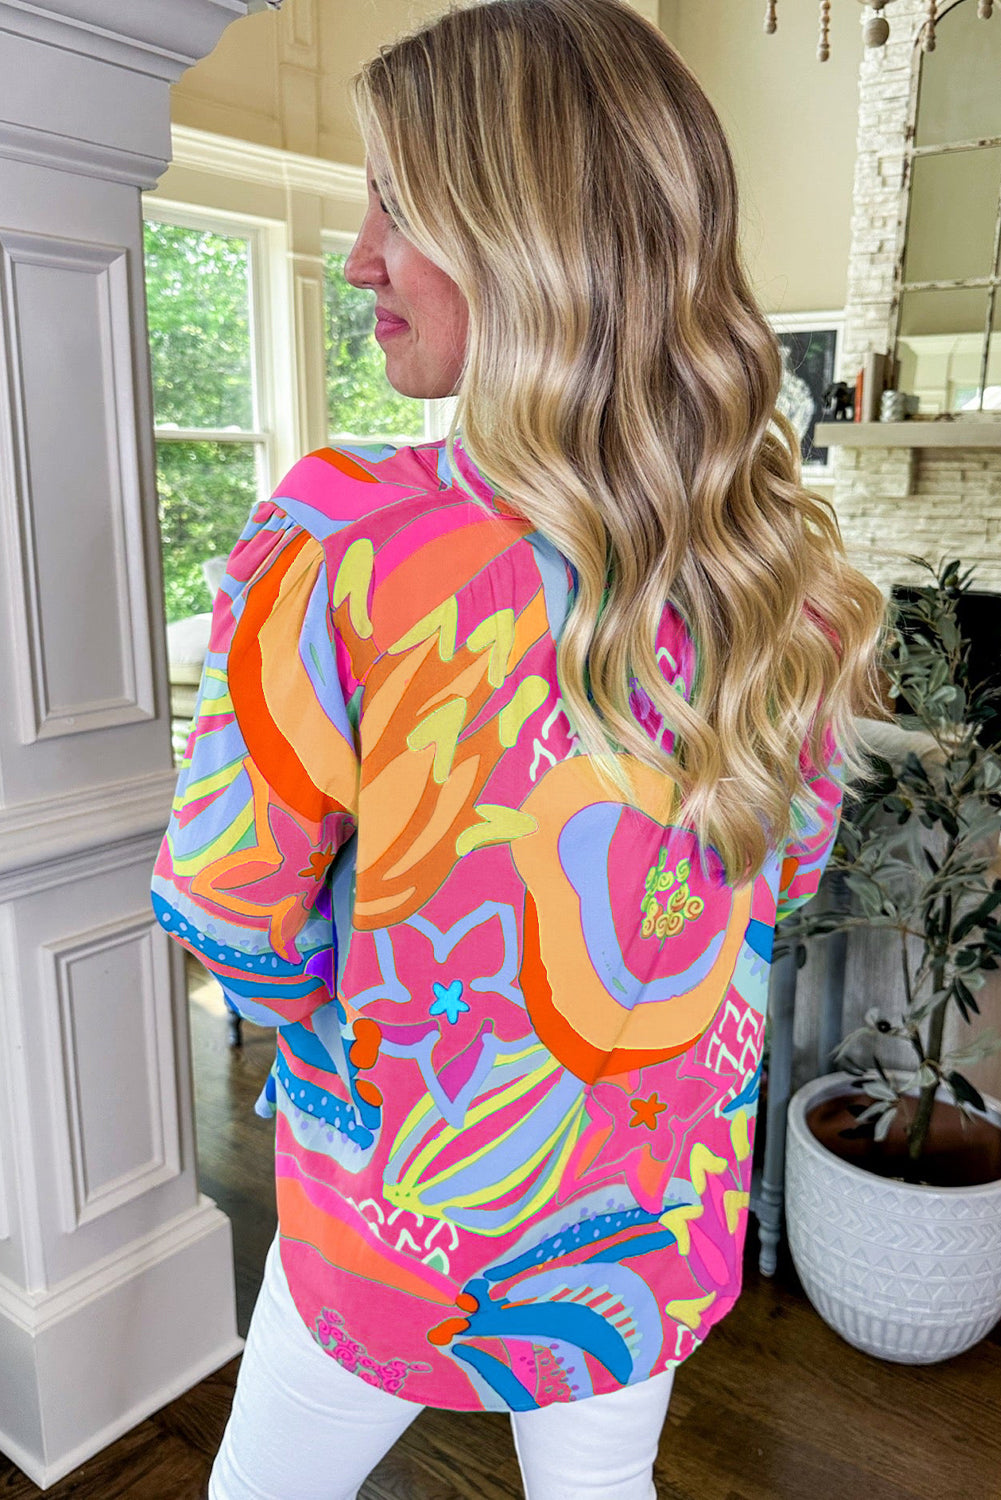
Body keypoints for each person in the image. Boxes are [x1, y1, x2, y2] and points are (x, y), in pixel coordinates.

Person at [152, 2, 884, 1496]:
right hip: (641, 1234)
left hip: (396, 1224)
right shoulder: (785, 578)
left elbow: (234, 909)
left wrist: (379, 1047)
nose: (359, 256)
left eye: (399, 206)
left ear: (530, 236)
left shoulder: (343, 538)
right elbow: (780, 881)